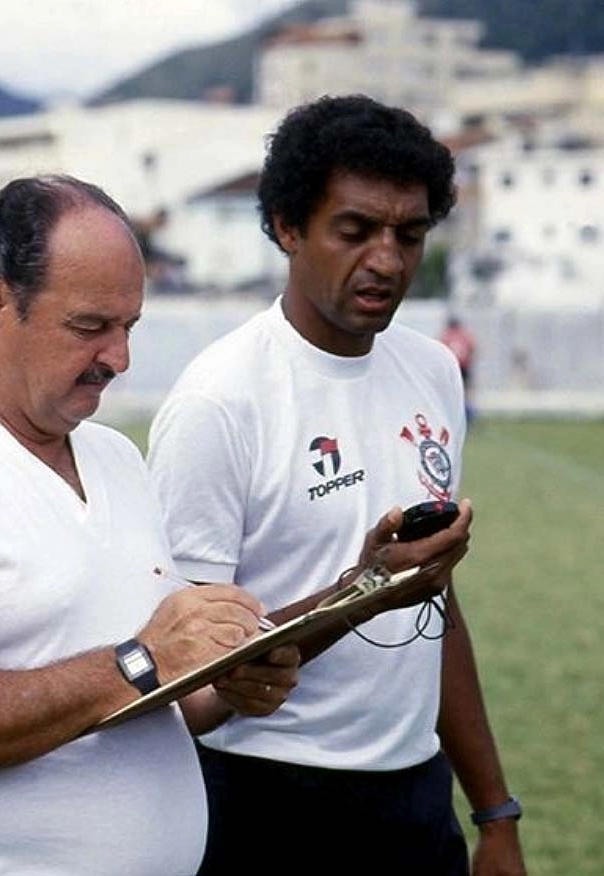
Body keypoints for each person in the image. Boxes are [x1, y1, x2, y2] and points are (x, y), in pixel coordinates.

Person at [0, 175, 302, 876]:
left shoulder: (115, 459)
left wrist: (223, 682)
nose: (118, 358)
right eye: (89, 326)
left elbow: (149, 699)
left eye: (128, 326)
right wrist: (142, 659)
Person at [147, 96, 526, 876]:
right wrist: (362, 592)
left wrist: (493, 813)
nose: (387, 260)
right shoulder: (220, 401)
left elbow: (431, 597)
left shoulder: (430, 370)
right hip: (264, 802)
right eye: (355, 231)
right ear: (287, 227)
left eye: (409, 234)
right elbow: (190, 679)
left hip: (414, 798)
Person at [439, 315, 477, 424]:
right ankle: (469, 417)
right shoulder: (465, 335)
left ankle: (453, 417)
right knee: (467, 394)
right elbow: (473, 348)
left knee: (451, 394)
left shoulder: (446, 336)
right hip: (464, 367)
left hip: (451, 368)